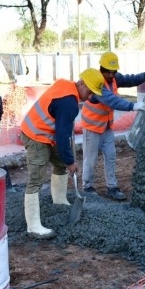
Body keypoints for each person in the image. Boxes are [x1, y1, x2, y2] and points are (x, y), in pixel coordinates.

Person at [19, 68, 105, 239]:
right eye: (89, 92)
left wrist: (66, 160)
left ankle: (59, 201)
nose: (90, 98)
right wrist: (70, 161)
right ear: (81, 83)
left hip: (47, 133)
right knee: (36, 179)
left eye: (93, 94)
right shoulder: (69, 103)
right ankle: (33, 226)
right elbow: (62, 136)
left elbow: (61, 129)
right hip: (35, 134)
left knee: (60, 163)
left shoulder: (67, 85)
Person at [80, 52, 145, 200]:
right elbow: (111, 100)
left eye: (114, 72)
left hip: (107, 127)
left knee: (111, 156)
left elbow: (130, 79)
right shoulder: (96, 82)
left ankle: (111, 187)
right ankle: (87, 187)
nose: (112, 75)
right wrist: (132, 106)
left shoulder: (114, 78)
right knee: (90, 159)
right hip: (92, 128)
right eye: (109, 72)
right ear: (102, 69)